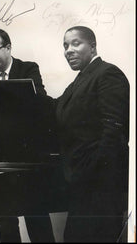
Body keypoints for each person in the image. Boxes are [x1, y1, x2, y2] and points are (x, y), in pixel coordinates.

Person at [0, 29, 55, 242]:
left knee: (36, 214)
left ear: (8, 47)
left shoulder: (29, 69)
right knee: (5, 218)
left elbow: (40, 102)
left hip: (29, 156)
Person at [55, 26, 129, 242]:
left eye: (75, 43)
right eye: (65, 46)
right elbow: (56, 109)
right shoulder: (79, 80)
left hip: (100, 187)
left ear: (93, 46)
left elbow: (114, 131)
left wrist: (91, 171)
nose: (68, 50)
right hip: (83, 186)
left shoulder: (107, 74)